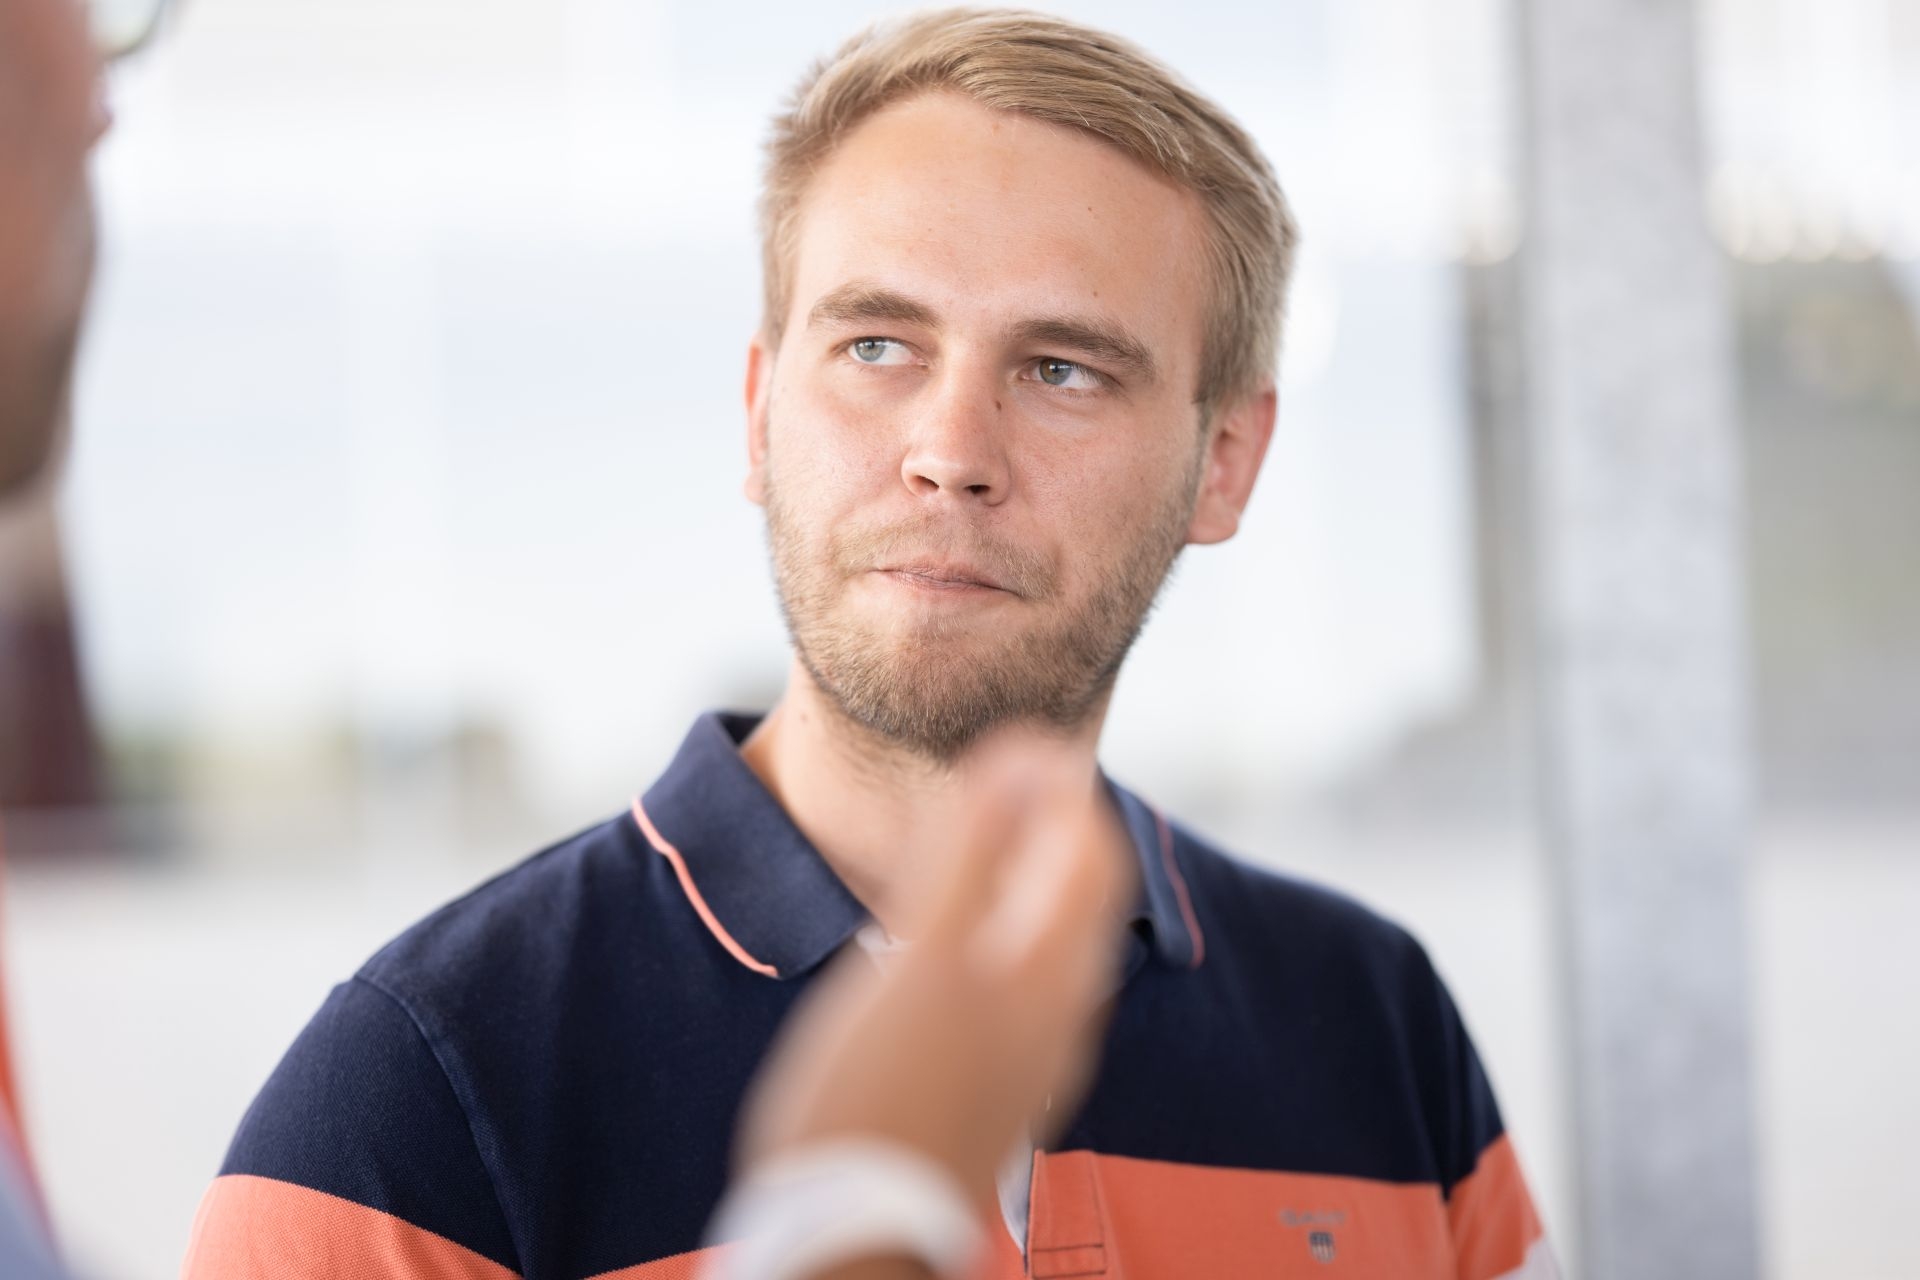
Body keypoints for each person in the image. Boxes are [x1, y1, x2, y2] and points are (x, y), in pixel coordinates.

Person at [185, 9, 1559, 1279]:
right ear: (758, 412)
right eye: (878, 346)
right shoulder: (414, 1098)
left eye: (1062, 369)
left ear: (1227, 461)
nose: (951, 453)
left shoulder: (1375, 1025)